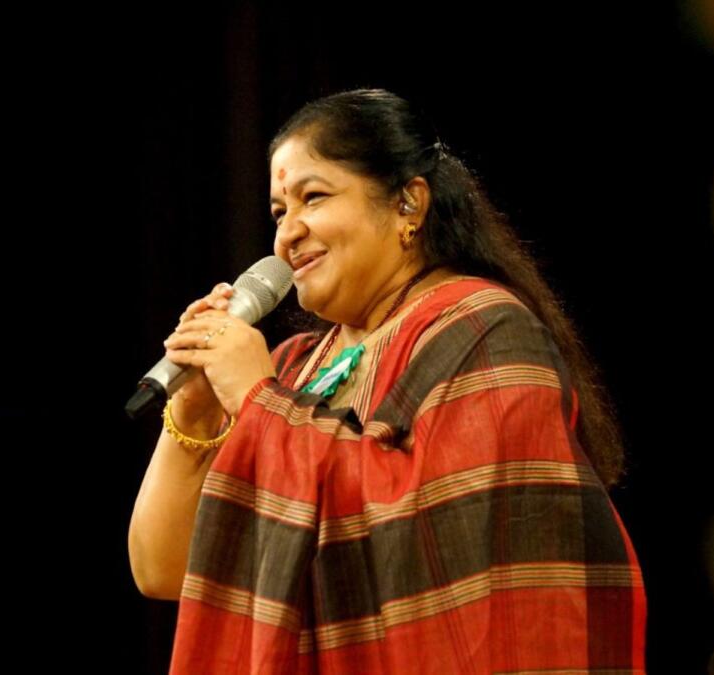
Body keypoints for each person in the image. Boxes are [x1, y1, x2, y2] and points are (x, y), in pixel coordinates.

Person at [129, 88, 647, 673]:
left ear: (409, 204)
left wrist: (259, 401)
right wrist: (196, 413)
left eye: (313, 197)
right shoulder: (293, 368)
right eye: (278, 213)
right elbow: (163, 568)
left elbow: (445, 541)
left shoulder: (482, 327)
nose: (287, 234)